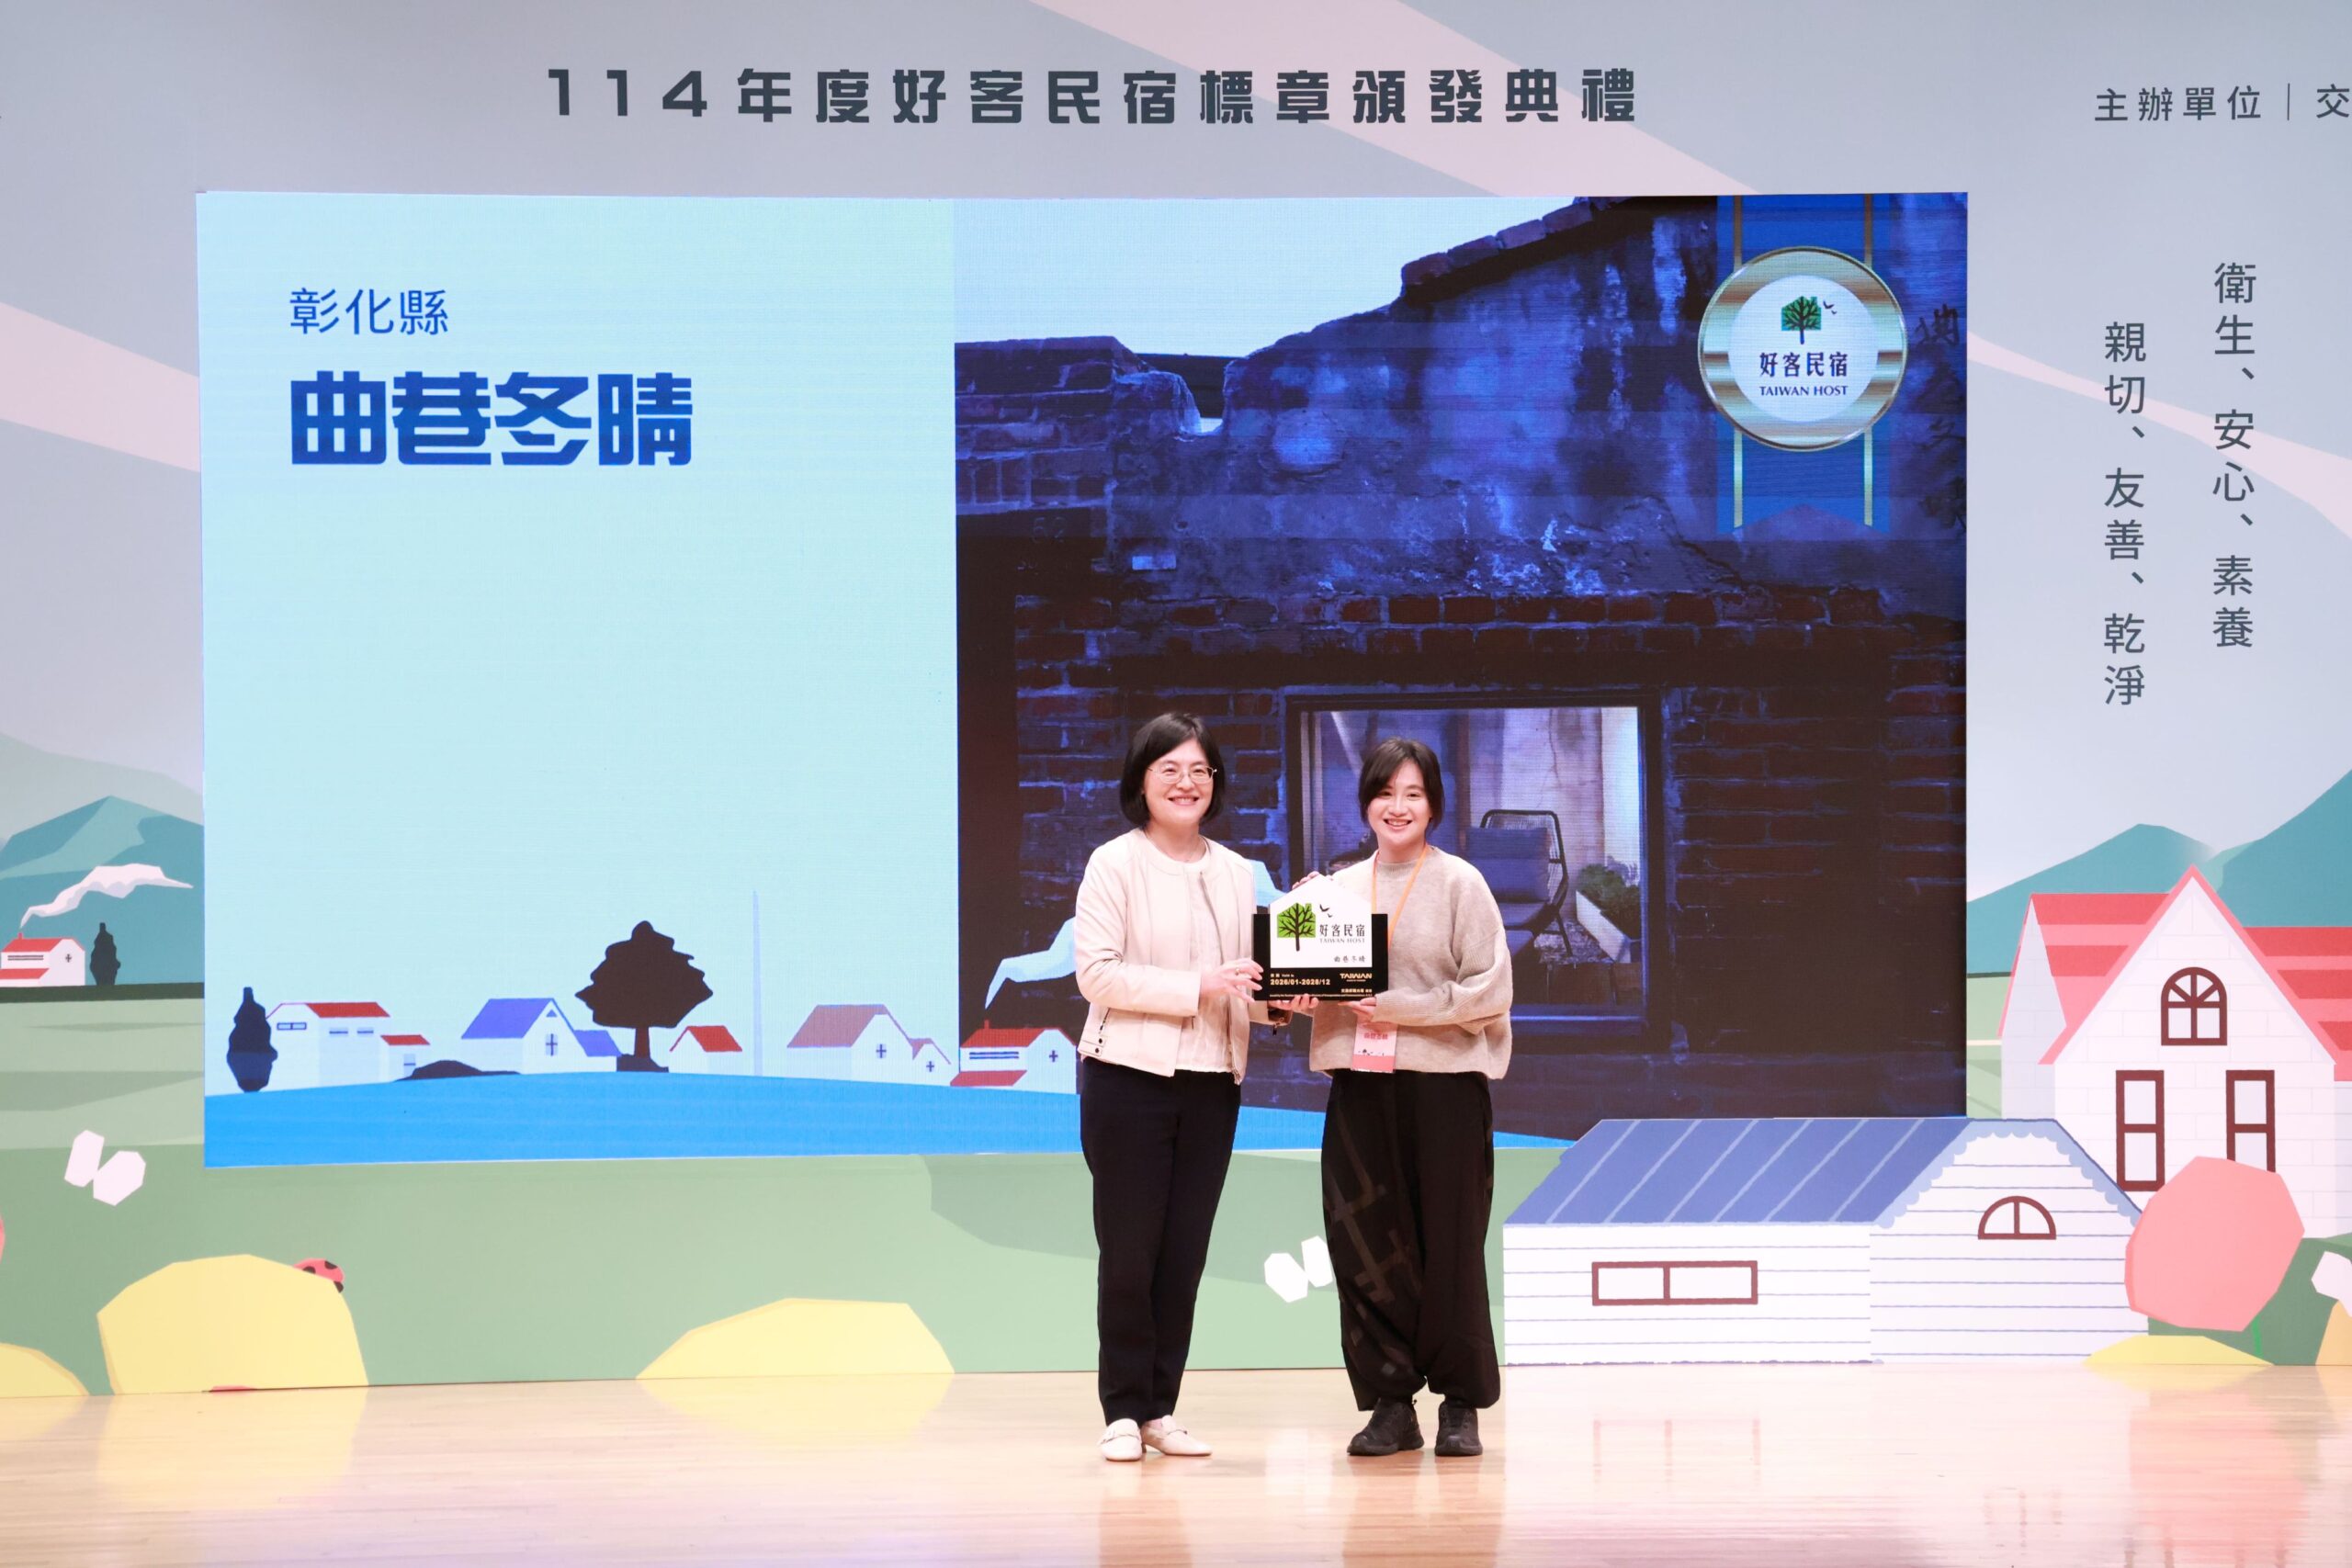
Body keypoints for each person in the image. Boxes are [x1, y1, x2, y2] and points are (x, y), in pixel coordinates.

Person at [1290, 737, 1512, 1459]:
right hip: (1361, 1087)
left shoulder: (1461, 884)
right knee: (1364, 1244)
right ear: (1366, 803)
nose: (1398, 806)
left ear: (1434, 805)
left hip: (1445, 1087)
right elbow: (1293, 993)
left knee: (1449, 1243)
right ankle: (1391, 1403)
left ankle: (1460, 1404)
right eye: (1386, 792)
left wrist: (1397, 1009)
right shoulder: (1332, 891)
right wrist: (1289, 984)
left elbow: (1489, 991)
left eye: (1413, 793)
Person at [1072, 712, 1285, 1463]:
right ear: (1142, 781)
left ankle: (1161, 1409)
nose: (1186, 783)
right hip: (1127, 1076)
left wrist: (1287, 999)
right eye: (1170, 769)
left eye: (1200, 770)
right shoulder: (1114, 863)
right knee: (1130, 1250)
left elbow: (1246, 984)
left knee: (1184, 1252)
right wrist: (1199, 984)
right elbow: (1097, 974)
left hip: (1212, 1080)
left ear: (1215, 783)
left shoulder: (1237, 871)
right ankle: (1122, 1409)